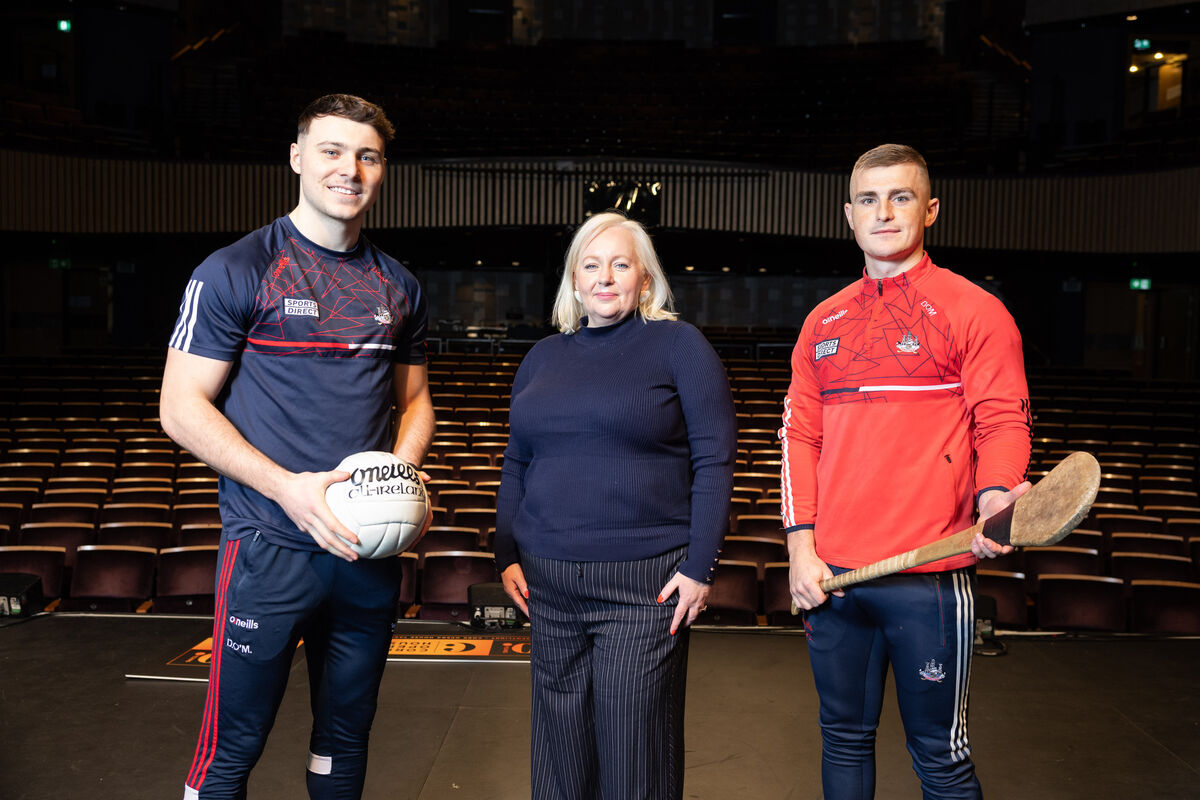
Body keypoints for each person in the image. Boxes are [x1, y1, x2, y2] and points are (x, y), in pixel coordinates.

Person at [160, 93, 435, 800]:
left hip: (363, 556)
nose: (351, 169)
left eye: (368, 156)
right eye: (332, 151)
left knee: (344, 738)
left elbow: (415, 403)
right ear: (297, 158)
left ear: (382, 169)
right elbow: (179, 408)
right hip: (269, 546)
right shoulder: (235, 269)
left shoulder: (398, 286)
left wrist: (398, 478)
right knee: (233, 745)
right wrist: (288, 488)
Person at [781, 144, 1033, 800]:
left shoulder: (975, 310)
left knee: (940, 760)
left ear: (930, 210)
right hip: (837, 578)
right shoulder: (821, 324)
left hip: (930, 580)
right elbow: (799, 439)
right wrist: (800, 550)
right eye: (869, 198)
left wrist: (997, 496)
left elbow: (1002, 420)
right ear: (849, 215)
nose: (884, 211)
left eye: (900, 197)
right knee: (842, 741)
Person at [494, 211, 737, 799]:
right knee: (559, 757)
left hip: (643, 586)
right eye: (591, 264)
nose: (605, 277)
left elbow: (715, 460)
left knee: (635, 758)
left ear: (645, 280)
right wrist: (506, 554)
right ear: (574, 281)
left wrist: (699, 567)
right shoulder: (544, 357)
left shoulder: (679, 346)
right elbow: (517, 462)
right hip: (549, 586)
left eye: (621, 264)